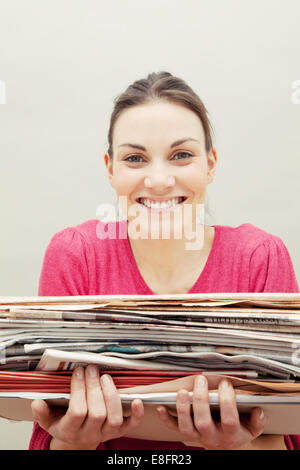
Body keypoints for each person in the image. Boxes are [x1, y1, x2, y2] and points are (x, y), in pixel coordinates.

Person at [29, 71, 300, 450]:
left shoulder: (260, 258)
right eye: (135, 158)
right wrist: (77, 442)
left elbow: (284, 434)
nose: (158, 180)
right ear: (111, 168)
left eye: (181, 155)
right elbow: (49, 428)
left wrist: (235, 446)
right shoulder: (76, 255)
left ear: (210, 163)